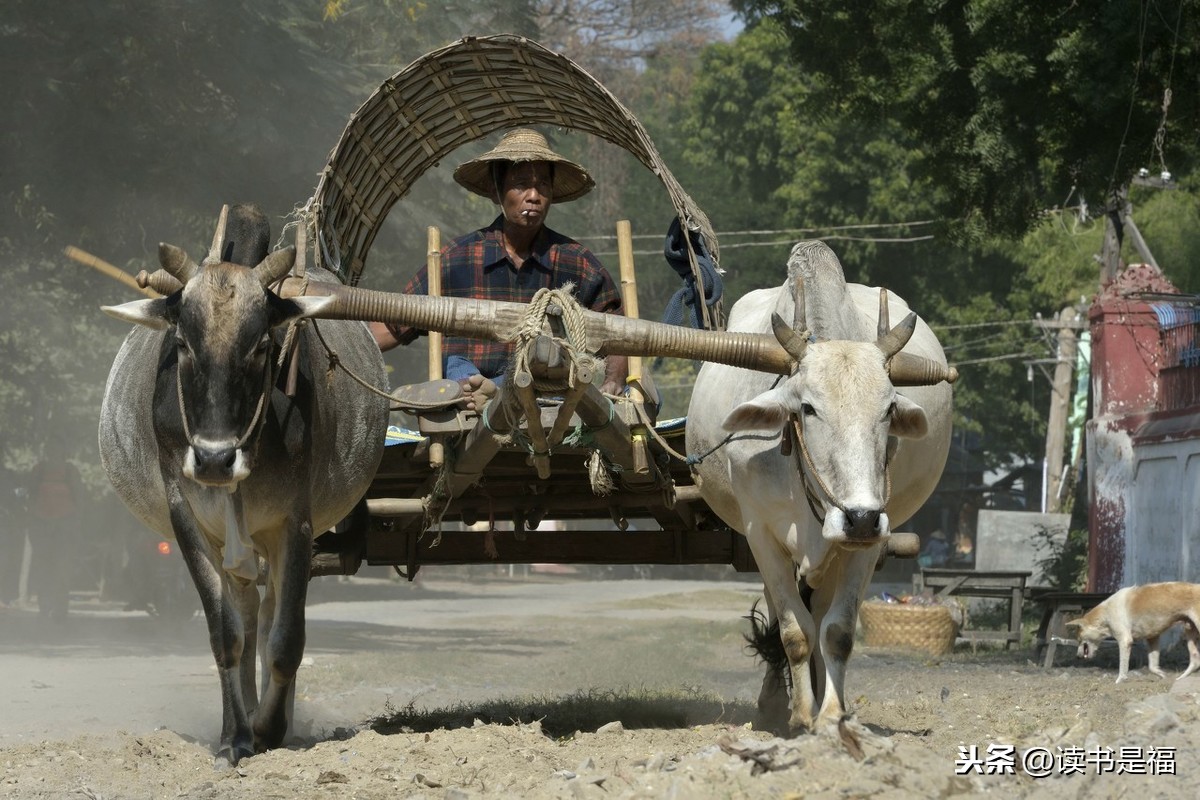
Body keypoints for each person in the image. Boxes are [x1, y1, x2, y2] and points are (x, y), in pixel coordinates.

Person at [371, 128, 628, 407]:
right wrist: (344, 352)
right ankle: (483, 392)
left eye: (542, 185)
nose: (533, 196)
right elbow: (393, 324)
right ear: (497, 192)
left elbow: (620, 331)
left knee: (540, 367)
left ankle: (496, 393)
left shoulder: (577, 263)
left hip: (539, 391)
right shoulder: (458, 258)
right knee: (458, 368)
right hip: (466, 389)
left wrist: (614, 381)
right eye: (520, 185)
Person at [27, 440, 84, 620]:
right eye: (51, 448)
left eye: (57, 448)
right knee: (43, 567)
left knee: (62, 569)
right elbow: (29, 496)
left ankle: (60, 610)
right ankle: (44, 607)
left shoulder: (70, 471)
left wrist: (77, 525)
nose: (54, 452)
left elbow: (80, 499)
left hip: (65, 527)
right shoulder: (38, 470)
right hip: (41, 526)